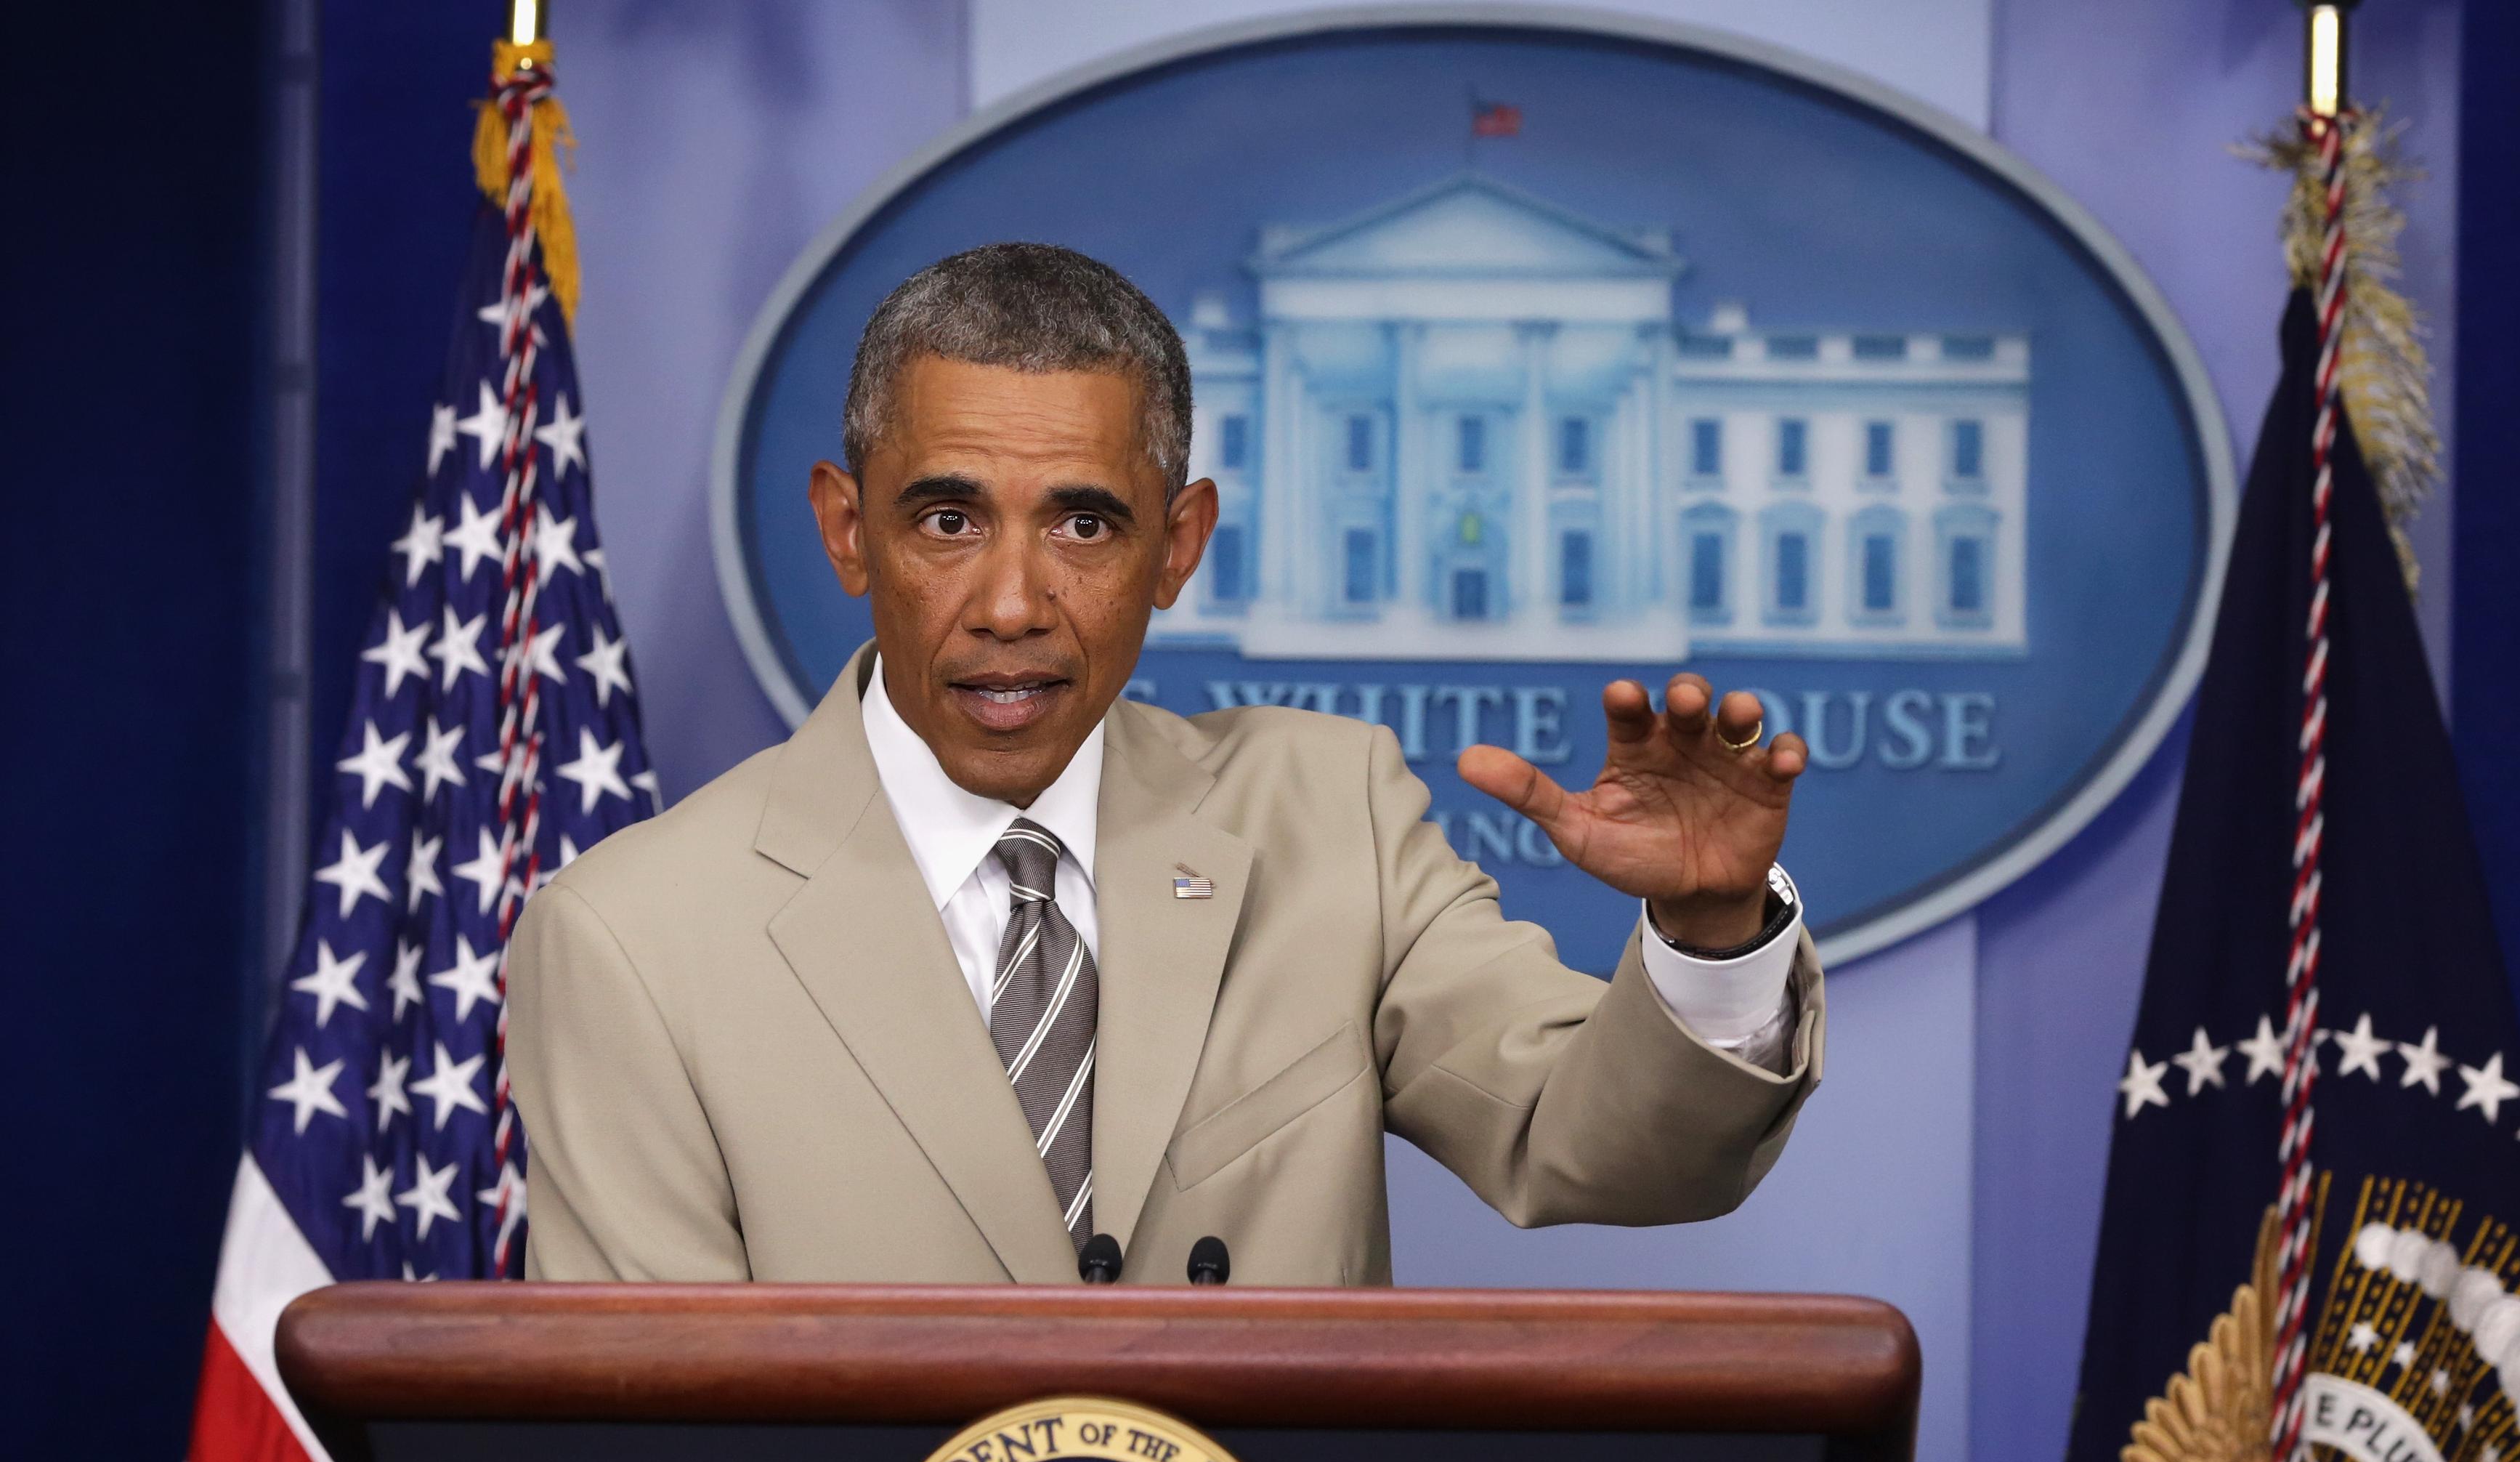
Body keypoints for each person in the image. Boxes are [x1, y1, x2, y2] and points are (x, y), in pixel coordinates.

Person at [511, 243, 1825, 1285]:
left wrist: (1710, 934)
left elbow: (1597, 1151)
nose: (1013, 602)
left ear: (1178, 546)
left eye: (1084, 522)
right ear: (849, 534)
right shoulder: (636, 935)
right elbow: (655, 1451)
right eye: (949, 520)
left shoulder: (1330, 818)